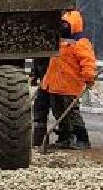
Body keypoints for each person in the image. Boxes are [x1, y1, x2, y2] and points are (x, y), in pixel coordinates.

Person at [34, 9, 97, 149]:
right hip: (53, 84)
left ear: (73, 24)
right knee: (59, 113)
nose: (62, 27)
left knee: (71, 113)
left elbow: (88, 62)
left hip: (69, 85)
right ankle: (65, 138)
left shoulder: (81, 42)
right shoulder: (58, 41)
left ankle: (82, 139)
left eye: (65, 24)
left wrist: (89, 77)